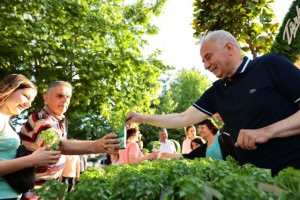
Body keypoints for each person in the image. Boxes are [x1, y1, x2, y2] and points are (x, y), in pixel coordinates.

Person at [126, 30, 300, 176]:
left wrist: (266, 132)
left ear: (229, 48)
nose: (206, 66)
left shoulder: (269, 64)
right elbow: (182, 117)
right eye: (203, 61)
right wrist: (142, 117)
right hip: (258, 182)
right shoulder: (217, 92)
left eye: (208, 57)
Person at [20, 81, 120, 199]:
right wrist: (95, 145)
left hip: (50, 189)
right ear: (46, 98)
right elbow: (57, 145)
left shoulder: (60, 121)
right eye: (60, 96)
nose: (65, 100)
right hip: (32, 191)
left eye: (68, 97)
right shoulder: (38, 119)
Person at [0, 74, 61, 200]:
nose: (28, 104)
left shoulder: (7, 122)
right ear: (11, 89)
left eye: (31, 101)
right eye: (26, 96)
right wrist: (32, 160)